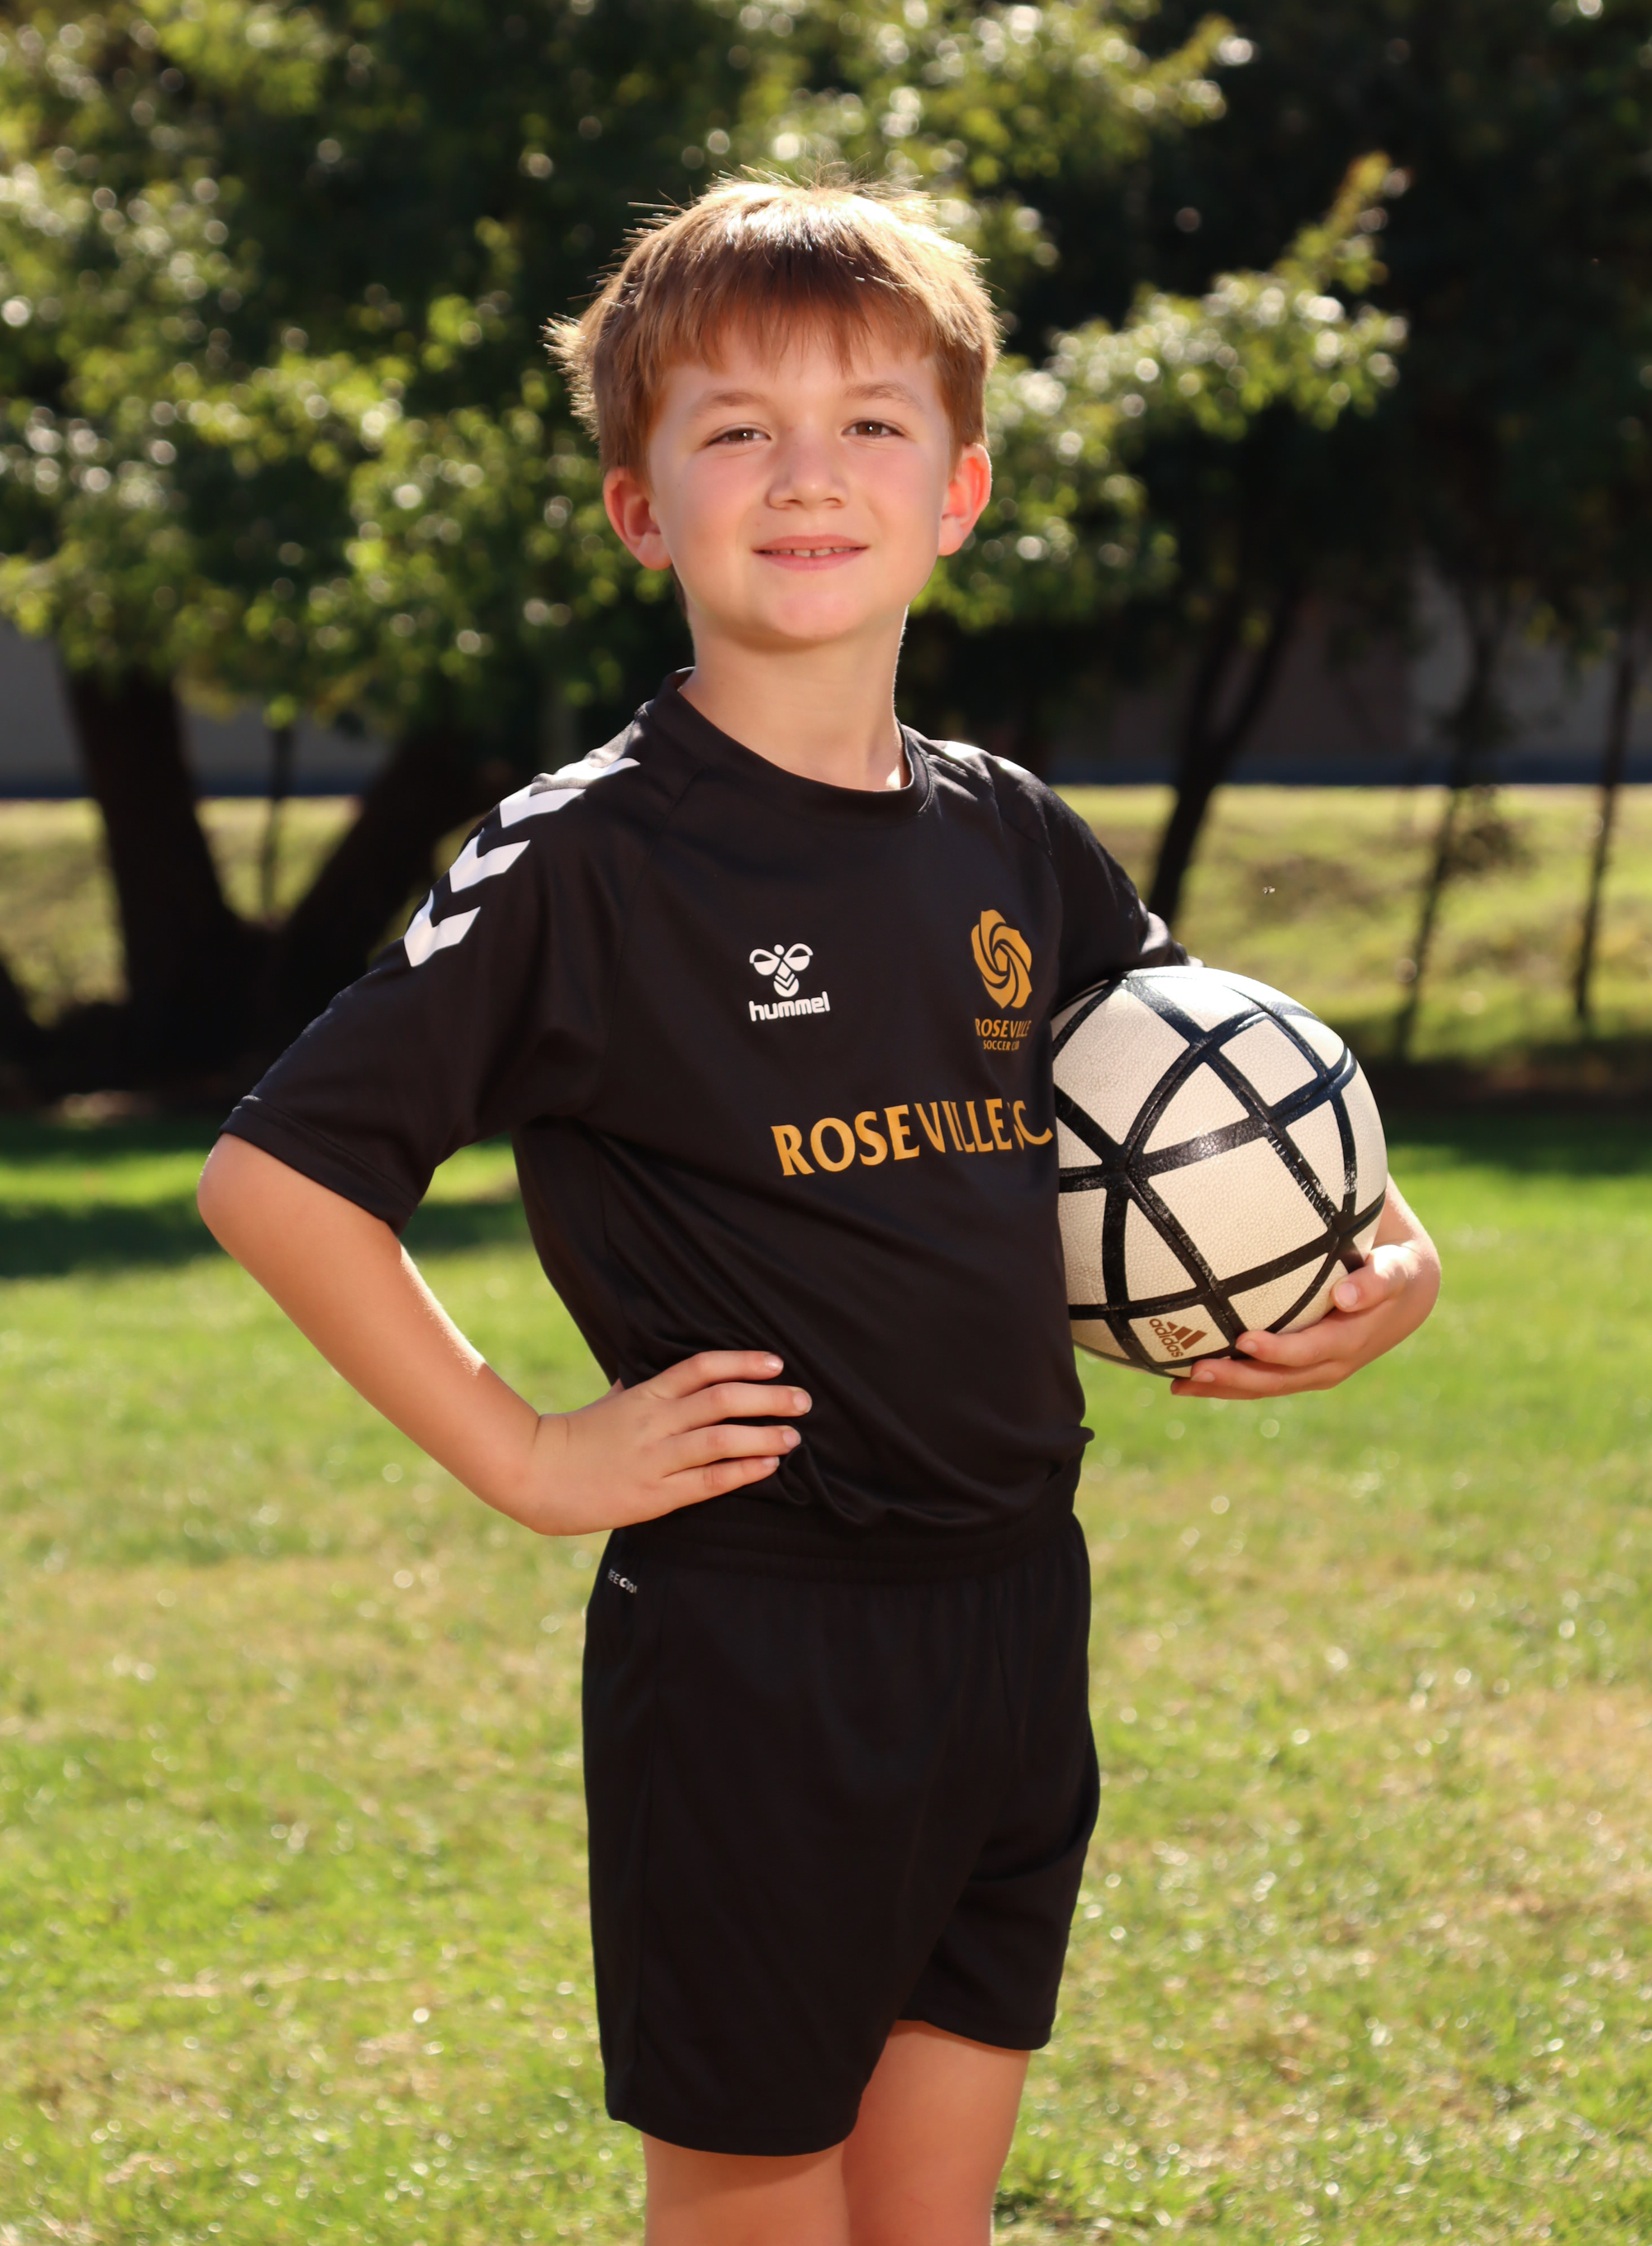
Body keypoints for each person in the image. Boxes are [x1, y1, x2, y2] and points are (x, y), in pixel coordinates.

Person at [197, 178, 1441, 2245]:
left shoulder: (1009, 834)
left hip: (1015, 1606)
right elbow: (278, 1174)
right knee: (759, 2200)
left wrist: (1382, 1247)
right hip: (757, 1641)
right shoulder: (589, 858)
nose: (805, 472)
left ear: (956, 492)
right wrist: (526, 1450)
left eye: (868, 421)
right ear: (639, 505)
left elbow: (1219, 1090)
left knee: (927, 2219)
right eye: (736, 428)